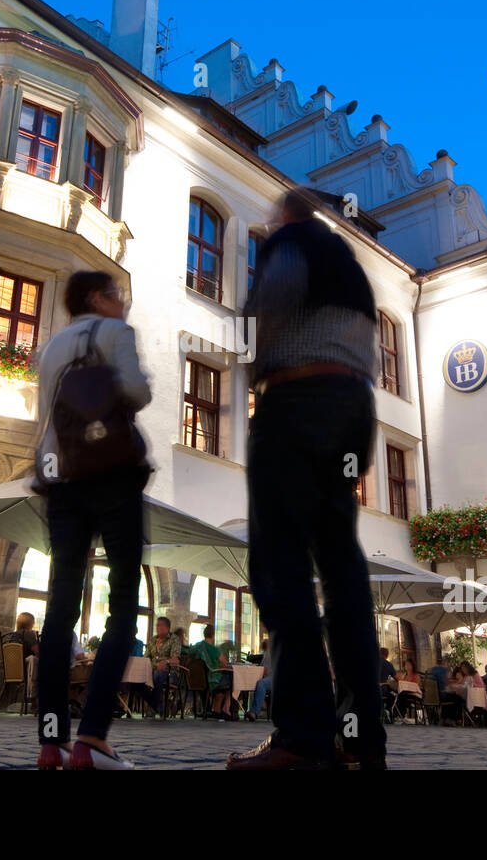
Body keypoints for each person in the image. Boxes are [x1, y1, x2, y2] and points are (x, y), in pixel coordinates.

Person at [227, 188, 386, 771]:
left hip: (296, 401)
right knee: (343, 574)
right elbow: (372, 351)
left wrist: (255, 365)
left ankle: (302, 737)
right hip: (352, 407)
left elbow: (268, 305)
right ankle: (360, 739)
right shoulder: (350, 265)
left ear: (286, 215)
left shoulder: (291, 242)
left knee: (281, 570)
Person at [33, 270, 151, 771]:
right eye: (116, 294)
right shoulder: (115, 333)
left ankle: (51, 741)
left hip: (61, 481)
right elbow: (136, 392)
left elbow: (44, 418)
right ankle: (93, 738)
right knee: (123, 601)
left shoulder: (51, 346)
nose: (122, 303)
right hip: (113, 476)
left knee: (60, 605)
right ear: (97, 298)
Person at [194, 625, 234, 719]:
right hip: (213, 679)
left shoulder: (198, 646)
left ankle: (217, 708)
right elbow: (225, 663)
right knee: (233, 680)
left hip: (199, 679)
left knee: (226, 679)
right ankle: (225, 709)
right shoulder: (213, 649)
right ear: (213, 635)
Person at [143, 616, 181, 719]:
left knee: (158, 675)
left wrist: (166, 661)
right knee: (137, 680)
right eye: (157, 625)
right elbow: (146, 657)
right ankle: (158, 706)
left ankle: (152, 707)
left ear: (167, 628)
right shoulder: (153, 640)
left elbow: (175, 660)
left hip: (169, 672)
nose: (157, 627)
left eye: (160, 625)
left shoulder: (174, 639)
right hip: (151, 671)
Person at [2, 612, 40, 699]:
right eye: (33, 622)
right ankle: (34, 696)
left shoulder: (12, 635)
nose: (33, 624)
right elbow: (38, 652)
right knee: (37, 660)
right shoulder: (29, 634)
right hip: (25, 671)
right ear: (29, 623)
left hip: (11, 671)